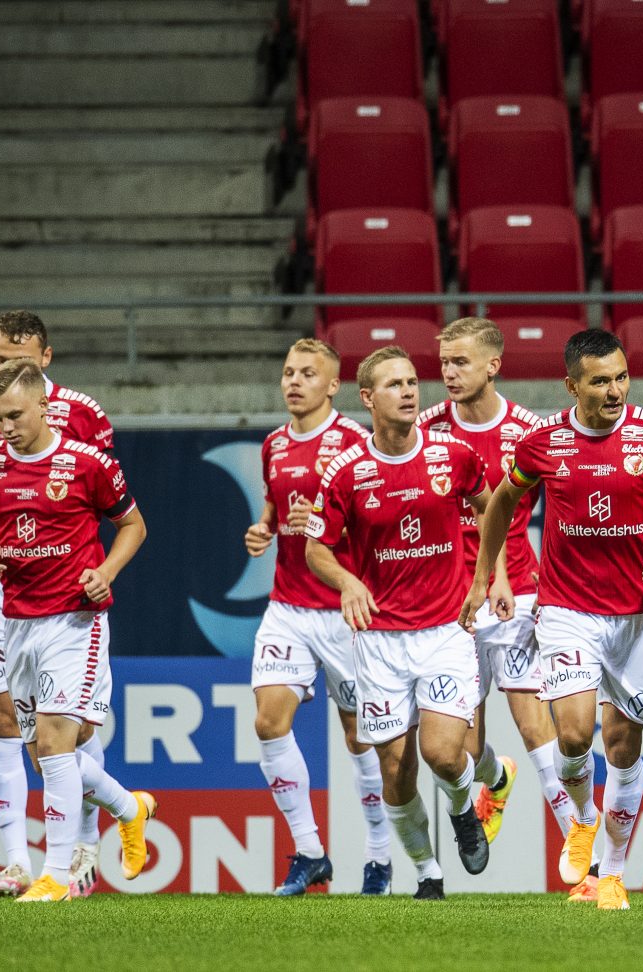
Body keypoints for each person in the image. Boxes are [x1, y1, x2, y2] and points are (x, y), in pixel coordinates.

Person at [460, 329, 643, 911]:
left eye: (621, 376)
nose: (615, 390)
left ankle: (609, 874)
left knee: (622, 749)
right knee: (572, 734)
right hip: (568, 609)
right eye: (600, 380)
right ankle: (585, 821)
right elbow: (501, 504)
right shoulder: (543, 444)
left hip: (639, 617)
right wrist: (485, 574)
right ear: (572, 385)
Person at [0, 359, 154, 903]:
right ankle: (129, 806)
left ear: (45, 405)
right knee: (43, 754)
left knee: (55, 742)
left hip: (75, 619)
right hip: (15, 622)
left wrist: (105, 572)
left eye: (16, 415)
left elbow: (133, 524)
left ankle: (57, 876)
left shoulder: (86, 463)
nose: (6, 427)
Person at [305, 346, 494, 901]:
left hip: (445, 632)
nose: (410, 392)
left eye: (413, 382)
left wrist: (489, 578)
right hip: (380, 643)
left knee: (441, 751)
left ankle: (463, 812)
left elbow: (493, 509)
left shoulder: (452, 455)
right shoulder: (347, 472)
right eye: (394, 385)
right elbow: (317, 549)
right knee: (396, 772)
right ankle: (427, 873)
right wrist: (349, 581)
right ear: (367, 398)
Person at [418, 318, 583, 890]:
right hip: (447, 601)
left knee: (534, 722)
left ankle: (579, 854)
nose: (448, 373)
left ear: (493, 365)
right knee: (460, 746)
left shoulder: (531, 433)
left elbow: (566, 514)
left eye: (460, 362)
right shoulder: (427, 430)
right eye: (443, 363)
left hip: (515, 594)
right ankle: (495, 778)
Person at [243, 339, 395, 896]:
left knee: (361, 738)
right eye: (288, 371)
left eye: (308, 373)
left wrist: (332, 527)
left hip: (345, 610)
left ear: (333, 386)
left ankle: (378, 856)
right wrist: (263, 529)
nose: (294, 381)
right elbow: (274, 512)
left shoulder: (356, 443)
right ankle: (310, 852)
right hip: (288, 607)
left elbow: (379, 520)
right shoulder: (275, 444)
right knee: (268, 721)